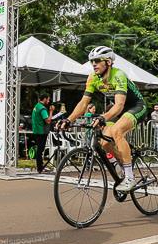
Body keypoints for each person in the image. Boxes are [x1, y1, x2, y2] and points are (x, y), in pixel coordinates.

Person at [56, 46, 148, 192]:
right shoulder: (92, 78)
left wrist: (102, 117)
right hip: (118, 109)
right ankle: (123, 168)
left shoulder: (118, 75)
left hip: (135, 106)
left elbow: (119, 105)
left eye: (98, 61)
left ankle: (130, 177)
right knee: (105, 143)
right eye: (92, 61)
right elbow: (83, 103)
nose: (94, 64)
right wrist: (69, 119)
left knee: (117, 131)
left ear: (109, 62)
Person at [30, 92, 53, 173]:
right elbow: (48, 120)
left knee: (39, 149)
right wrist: (51, 111)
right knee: (40, 150)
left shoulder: (36, 106)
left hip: (36, 130)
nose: (49, 101)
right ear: (45, 99)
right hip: (42, 131)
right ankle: (40, 168)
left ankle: (40, 166)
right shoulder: (42, 108)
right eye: (48, 99)